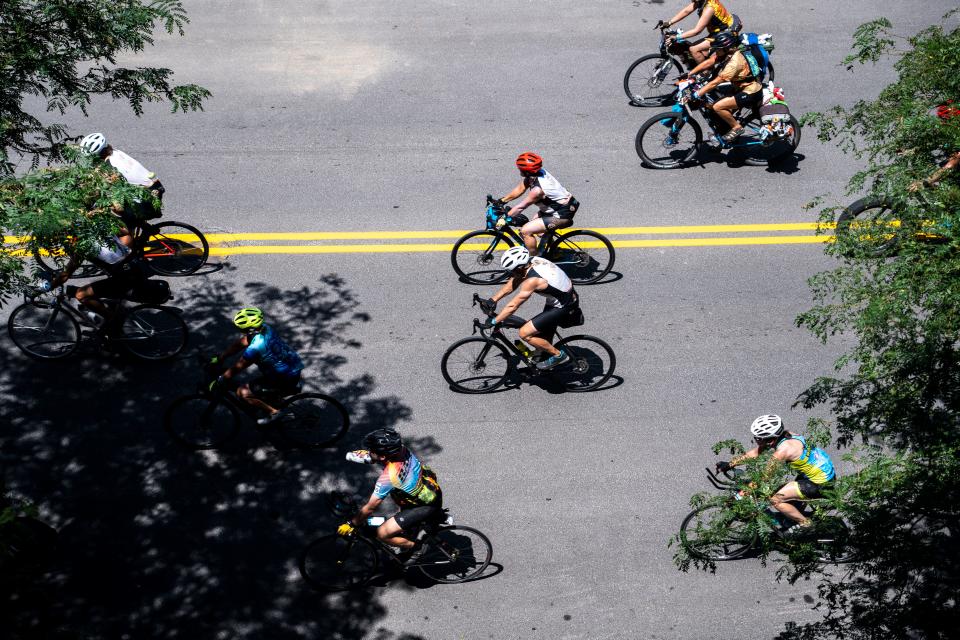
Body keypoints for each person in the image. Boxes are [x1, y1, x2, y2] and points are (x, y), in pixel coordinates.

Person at [716, 415, 837, 530]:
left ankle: (805, 524)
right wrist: (730, 464)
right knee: (781, 490)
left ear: (770, 440)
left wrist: (739, 496)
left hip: (819, 482)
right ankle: (793, 515)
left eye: (758, 438)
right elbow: (756, 453)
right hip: (822, 471)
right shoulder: (787, 434)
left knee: (775, 499)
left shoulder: (782, 452)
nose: (755, 440)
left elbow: (762, 479)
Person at [338, 429, 443, 561]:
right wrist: (348, 455)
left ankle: (418, 548)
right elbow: (373, 458)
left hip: (423, 506)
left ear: (383, 456)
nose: (370, 451)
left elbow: (371, 507)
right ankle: (407, 545)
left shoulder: (390, 477)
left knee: (382, 533)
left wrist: (351, 524)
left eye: (372, 450)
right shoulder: (401, 450)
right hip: (428, 491)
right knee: (403, 529)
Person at [485, 246, 581, 371]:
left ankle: (559, 356)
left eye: (512, 271)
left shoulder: (533, 280)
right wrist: (493, 299)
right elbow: (515, 280)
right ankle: (541, 352)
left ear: (519, 268)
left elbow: (513, 306)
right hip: (563, 297)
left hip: (564, 306)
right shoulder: (533, 260)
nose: (511, 274)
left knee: (524, 333)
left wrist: (494, 321)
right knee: (540, 332)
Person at [211, 308, 305, 425]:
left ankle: (275, 413)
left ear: (249, 329)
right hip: (292, 366)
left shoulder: (256, 347)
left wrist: (221, 379)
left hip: (286, 377)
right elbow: (240, 344)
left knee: (242, 392)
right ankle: (275, 400)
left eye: (242, 329)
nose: (241, 331)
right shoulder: (265, 328)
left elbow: (238, 367)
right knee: (262, 389)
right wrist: (221, 357)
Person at [45, 234, 151, 327]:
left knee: (81, 294)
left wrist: (48, 286)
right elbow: (126, 234)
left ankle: (114, 322)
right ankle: (111, 314)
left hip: (126, 278)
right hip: (137, 268)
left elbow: (65, 275)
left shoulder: (82, 246)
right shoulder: (101, 230)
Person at [79, 132, 165, 242]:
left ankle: (127, 255)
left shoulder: (110, 167)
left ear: (100, 155)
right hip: (154, 188)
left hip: (146, 200)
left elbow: (113, 192)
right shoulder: (116, 153)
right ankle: (143, 227)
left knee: (120, 228)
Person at [497, 152, 580, 256]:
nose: (519, 170)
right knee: (537, 229)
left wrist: (504, 219)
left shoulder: (538, 190)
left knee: (525, 231)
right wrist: (502, 201)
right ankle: (554, 252)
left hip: (562, 214)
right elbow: (521, 188)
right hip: (559, 207)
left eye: (520, 169)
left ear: (527, 172)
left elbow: (521, 207)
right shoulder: (538, 173)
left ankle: (534, 261)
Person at [691, 31, 762, 143]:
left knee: (718, 107)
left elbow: (716, 82)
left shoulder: (734, 63)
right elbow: (709, 61)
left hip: (750, 91)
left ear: (726, 48)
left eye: (717, 49)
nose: (715, 51)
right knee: (712, 102)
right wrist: (690, 74)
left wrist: (697, 93)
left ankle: (737, 128)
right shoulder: (729, 53)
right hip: (739, 87)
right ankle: (722, 134)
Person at [662, 0, 741, 64]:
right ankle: (710, 67)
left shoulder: (709, 8)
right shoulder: (701, 1)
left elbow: (697, 31)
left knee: (694, 49)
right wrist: (669, 22)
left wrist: (676, 37)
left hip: (725, 34)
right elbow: (686, 11)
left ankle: (705, 75)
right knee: (703, 53)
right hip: (717, 32)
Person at [909, 102, 960, 192]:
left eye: (945, 120)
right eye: (941, 119)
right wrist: (911, 150)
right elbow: (932, 143)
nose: (942, 123)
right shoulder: (950, 132)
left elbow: (950, 165)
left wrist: (925, 182)